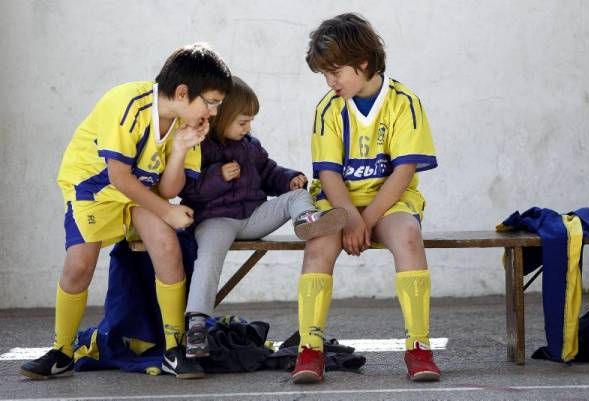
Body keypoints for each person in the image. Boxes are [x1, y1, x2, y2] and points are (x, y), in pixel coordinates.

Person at [20, 43, 232, 380]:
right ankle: (62, 350)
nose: (214, 112)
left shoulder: (186, 126)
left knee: (166, 245)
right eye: (211, 102)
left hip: (139, 193)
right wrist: (168, 212)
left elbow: (167, 191)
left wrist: (178, 151)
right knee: (79, 265)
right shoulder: (127, 102)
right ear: (181, 92)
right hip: (95, 190)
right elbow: (118, 177)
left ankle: (174, 348)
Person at [291, 13, 441, 383]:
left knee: (408, 235)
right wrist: (349, 216)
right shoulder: (327, 109)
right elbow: (328, 174)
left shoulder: (405, 102)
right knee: (318, 244)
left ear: (363, 62)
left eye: (335, 71)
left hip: (389, 203)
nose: (330, 82)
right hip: (338, 202)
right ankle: (310, 349)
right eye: (324, 74)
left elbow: (403, 172)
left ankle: (419, 348)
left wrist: (367, 219)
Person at [179, 76, 348, 358]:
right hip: (216, 220)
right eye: (243, 122)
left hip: (254, 216)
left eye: (250, 122)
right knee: (209, 258)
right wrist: (218, 176)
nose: (248, 128)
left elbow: (268, 172)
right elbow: (189, 190)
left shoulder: (250, 146)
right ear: (221, 118)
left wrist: (289, 179)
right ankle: (197, 324)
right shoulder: (201, 146)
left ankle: (307, 220)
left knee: (295, 197)